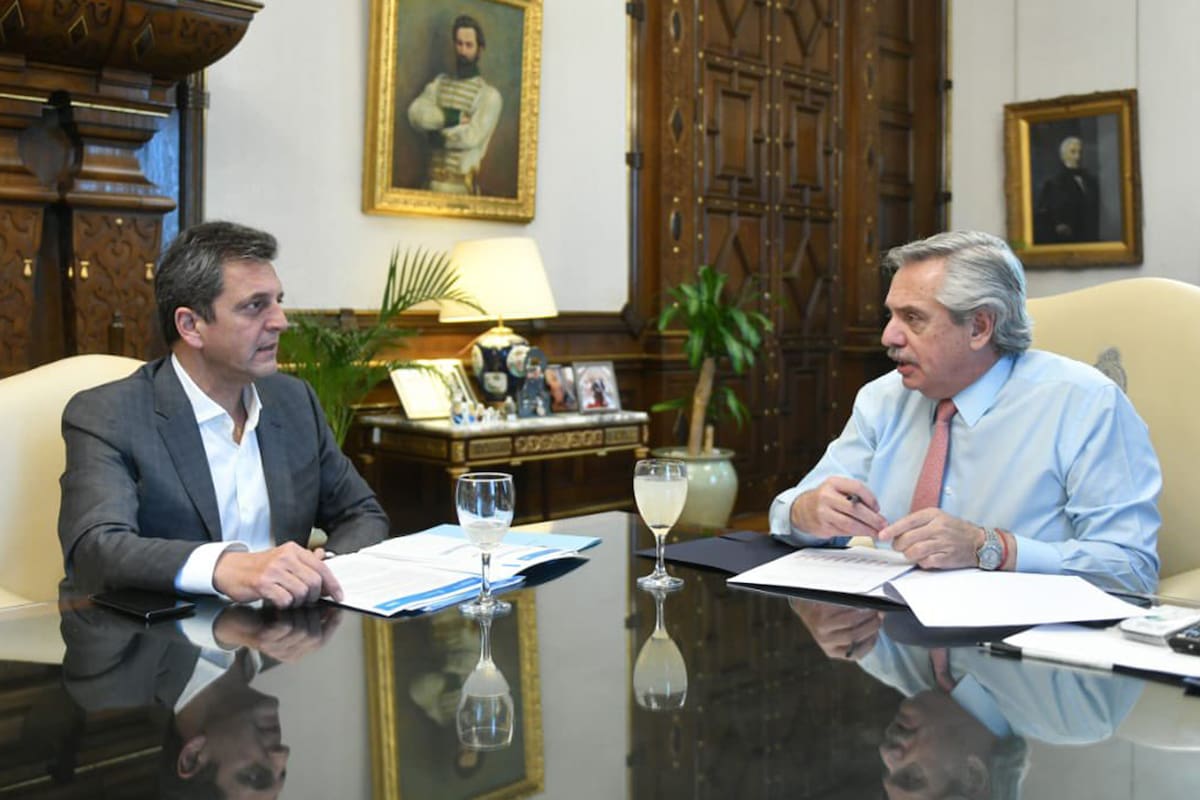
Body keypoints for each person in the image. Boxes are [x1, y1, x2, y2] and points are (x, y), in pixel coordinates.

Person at [769, 230, 1160, 594]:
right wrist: (807, 513)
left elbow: (1132, 568)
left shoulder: (1085, 403)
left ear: (979, 327)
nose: (889, 336)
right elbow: (793, 510)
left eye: (913, 318)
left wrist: (989, 547)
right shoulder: (882, 399)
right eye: (891, 315)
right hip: (888, 637)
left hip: (1018, 645)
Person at [58, 221, 389, 607]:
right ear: (191, 326)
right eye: (255, 306)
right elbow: (96, 548)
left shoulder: (293, 401)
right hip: (161, 649)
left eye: (278, 300)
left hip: (279, 643)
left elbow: (362, 513)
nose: (281, 321)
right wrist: (223, 567)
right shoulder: (108, 414)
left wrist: (320, 570)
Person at [407, 14, 503, 195]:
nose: (463, 51)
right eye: (459, 44)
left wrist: (440, 137)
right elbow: (415, 113)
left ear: (480, 49)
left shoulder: (489, 96)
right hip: (430, 186)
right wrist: (452, 117)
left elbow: (471, 135)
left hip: (461, 189)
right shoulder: (439, 84)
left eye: (469, 45)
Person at [1033, 135, 1100, 244]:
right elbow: (1044, 214)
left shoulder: (1090, 180)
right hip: (1066, 241)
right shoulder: (1054, 183)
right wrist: (1058, 225)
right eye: (1073, 152)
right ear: (1063, 155)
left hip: (1090, 238)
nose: (1077, 157)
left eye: (1080, 152)